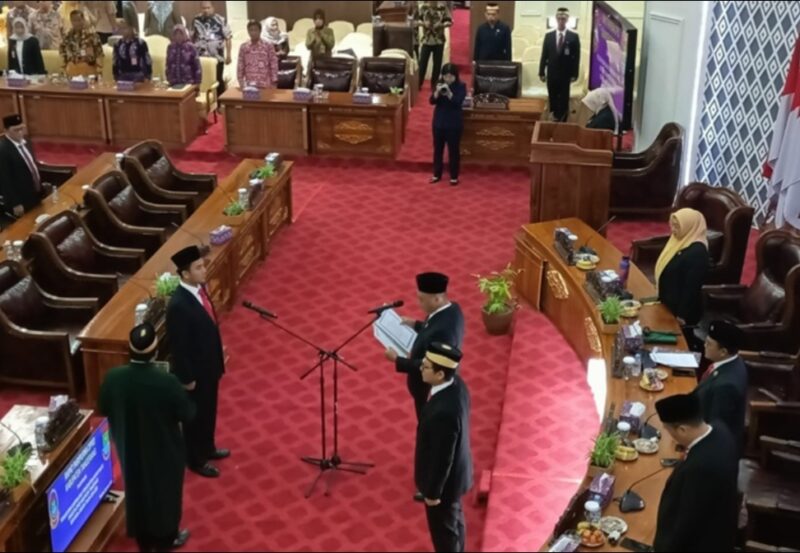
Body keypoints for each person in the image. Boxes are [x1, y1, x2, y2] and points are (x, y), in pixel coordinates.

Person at [98, 323, 193, 553]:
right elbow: (188, 413)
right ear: (155, 352)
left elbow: (102, 407)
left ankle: (144, 541)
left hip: (129, 449)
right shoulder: (167, 381)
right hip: (164, 451)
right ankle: (167, 538)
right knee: (165, 494)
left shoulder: (113, 378)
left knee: (137, 490)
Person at [166, 245, 230, 478]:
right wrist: (187, 378)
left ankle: (208, 447)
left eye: (203, 265)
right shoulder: (179, 305)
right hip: (194, 374)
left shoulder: (199, 291)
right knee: (195, 417)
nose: (204, 270)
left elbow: (209, 326)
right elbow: (179, 346)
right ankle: (196, 459)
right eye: (198, 267)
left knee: (209, 410)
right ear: (185, 274)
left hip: (209, 366)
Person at [653, 393, 739, 552]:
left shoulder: (701, 468)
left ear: (682, 429)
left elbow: (687, 523)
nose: (670, 436)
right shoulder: (720, 429)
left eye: (668, 430)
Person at [415, 342, 473, 553]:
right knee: (454, 521)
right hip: (457, 475)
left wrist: (433, 493)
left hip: (445, 487)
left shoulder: (444, 412)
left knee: (444, 534)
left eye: (426, 366)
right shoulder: (457, 384)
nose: (421, 367)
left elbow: (442, 457)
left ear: (440, 374)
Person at [385, 272, 465, 421]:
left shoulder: (443, 331)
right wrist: (415, 324)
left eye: (421, 299)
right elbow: (433, 328)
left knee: (426, 422)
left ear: (437, 298)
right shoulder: (451, 309)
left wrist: (397, 359)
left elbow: (432, 365)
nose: (418, 303)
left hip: (427, 387)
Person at [696, 320, 748, 452]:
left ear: (723, 351)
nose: (704, 345)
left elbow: (714, 429)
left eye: (709, 344)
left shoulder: (726, 386)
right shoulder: (731, 361)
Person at [655, 208, 710, 327]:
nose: (673, 230)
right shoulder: (681, 239)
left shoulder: (698, 252)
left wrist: (681, 316)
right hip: (667, 303)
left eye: (677, 227)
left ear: (689, 226)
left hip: (680, 314)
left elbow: (692, 287)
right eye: (672, 225)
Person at [0, 114, 49, 219]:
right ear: (6, 131)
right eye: (16, 130)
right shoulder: (2, 150)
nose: (20, 132)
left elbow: (32, 166)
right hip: (21, 200)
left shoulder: (27, 142)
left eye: (21, 128)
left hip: (35, 194)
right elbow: (4, 180)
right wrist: (15, 203)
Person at [539, 7, 580, 122]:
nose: (561, 20)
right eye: (559, 18)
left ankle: (562, 120)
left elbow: (576, 57)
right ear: (556, 19)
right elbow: (544, 55)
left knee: (563, 98)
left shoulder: (573, 37)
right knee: (552, 96)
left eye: (564, 18)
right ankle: (553, 117)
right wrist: (541, 72)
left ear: (567, 19)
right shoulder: (549, 36)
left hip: (565, 74)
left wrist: (575, 74)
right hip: (552, 72)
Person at [430, 63, 466, 185]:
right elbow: (431, 101)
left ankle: (454, 176)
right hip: (439, 123)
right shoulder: (439, 84)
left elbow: (458, 102)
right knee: (438, 150)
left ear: (456, 76)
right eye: (446, 76)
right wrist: (437, 93)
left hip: (454, 124)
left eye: (450, 76)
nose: (448, 79)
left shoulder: (461, 86)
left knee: (453, 151)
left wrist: (449, 93)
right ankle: (436, 174)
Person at [191, 1, 232, 94]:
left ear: (213, 8)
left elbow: (228, 38)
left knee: (218, 79)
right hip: (201, 57)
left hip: (217, 57)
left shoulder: (221, 20)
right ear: (200, 8)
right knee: (202, 80)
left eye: (208, 8)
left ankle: (220, 100)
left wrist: (228, 55)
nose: (206, 10)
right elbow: (192, 37)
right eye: (204, 8)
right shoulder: (196, 20)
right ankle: (205, 99)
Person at [416, 1, 452, 90]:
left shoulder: (443, 8)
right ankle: (418, 83)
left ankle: (434, 84)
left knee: (437, 64)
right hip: (426, 40)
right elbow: (417, 20)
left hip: (439, 41)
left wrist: (441, 25)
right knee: (422, 63)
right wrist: (423, 23)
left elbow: (449, 22)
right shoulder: (423, 8)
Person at [60, 9, 104, 77]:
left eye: (79, 20)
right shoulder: (67, 37)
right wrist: (64, 66)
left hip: (89, 67)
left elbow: (99, 54)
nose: (77, 23)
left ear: (83, 20)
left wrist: (99, 69)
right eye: (74, 20)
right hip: (72, 67)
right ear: (71, 21)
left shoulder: (92, 36)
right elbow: (62, 53)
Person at [237, 20, 278, 89]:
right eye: (251, 30)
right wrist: (241, 81)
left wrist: (274, 81)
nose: (253, 32)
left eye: (255, 30)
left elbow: (274, 63)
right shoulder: (244, 47)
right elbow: (240, 65)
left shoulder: (268, 45)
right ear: (248, 31)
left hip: (265, 84)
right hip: (249, 84)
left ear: (260, 31)